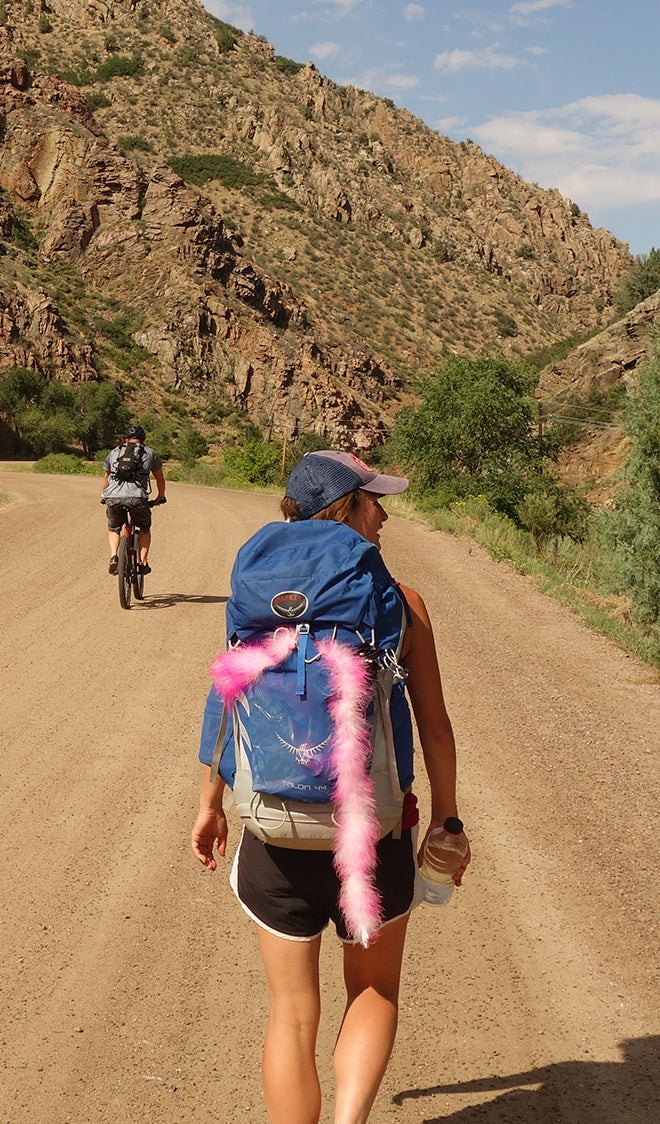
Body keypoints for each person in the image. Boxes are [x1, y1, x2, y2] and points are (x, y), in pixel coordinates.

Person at [191, 450, 466, 1124]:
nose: (385, 515)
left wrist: (208, 803)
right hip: (374, 838)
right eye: (375, 501)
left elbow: (225, 697)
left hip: (274, 833)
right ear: (347, 508)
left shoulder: (257, 595)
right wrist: (447, 821)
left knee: (290, 1014)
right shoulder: (401, 603)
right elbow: (435, 728)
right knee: (374, 991)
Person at [101, 425, 165, 575]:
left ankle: (114, 556)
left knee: (114, 528)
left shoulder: (114, 452)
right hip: (137, 498)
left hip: (113, 496)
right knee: (144, 528)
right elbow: (159, 479)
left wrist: (104, 496)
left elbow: (106, 477)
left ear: (126, 439)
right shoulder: (150, 453)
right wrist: (161, 496)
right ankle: (142, 562)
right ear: (143, 440)